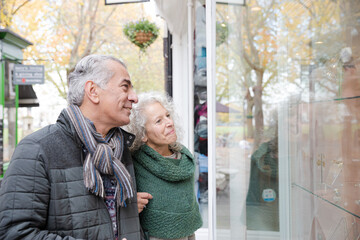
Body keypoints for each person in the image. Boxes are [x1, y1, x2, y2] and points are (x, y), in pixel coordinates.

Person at [0, 54, 146, 240]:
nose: (134, 97)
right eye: (125, 87)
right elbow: (14, 233)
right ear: (93, 91)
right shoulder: (37, 149)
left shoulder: (121, 149)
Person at [125, 92, 203, 240]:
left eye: (168, 115)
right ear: (143, 134)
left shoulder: (185, 160)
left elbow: (189, 222)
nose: (169, 122)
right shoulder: (133, 165)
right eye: (159, 121)